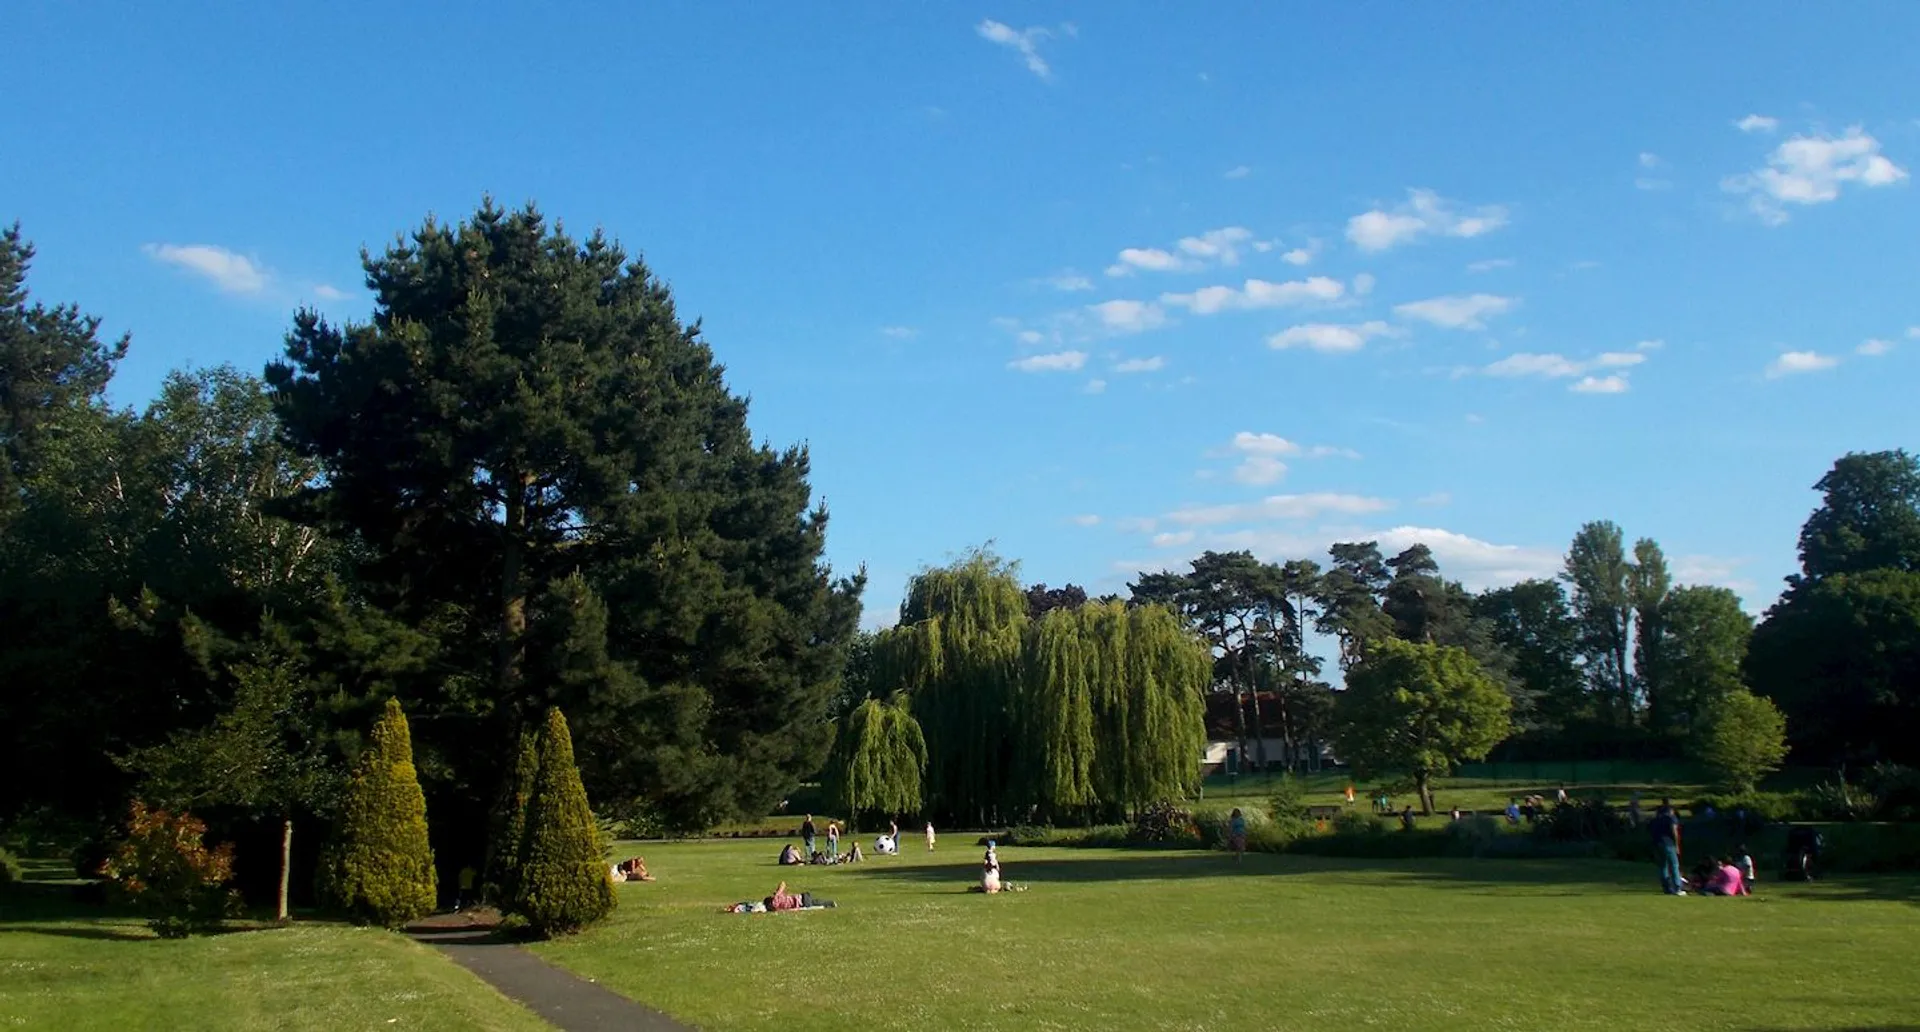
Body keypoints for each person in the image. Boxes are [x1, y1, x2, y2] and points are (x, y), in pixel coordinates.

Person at [1648, 800, 1685, 895]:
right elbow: (1674, 831)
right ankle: (1677, 887)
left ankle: (1666, 887)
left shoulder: (1655, 820)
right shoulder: (1671, 818)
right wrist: (1677, 844)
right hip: (1669, 843)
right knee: (1674, 865)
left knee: (1663, 866)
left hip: (1658, 843)